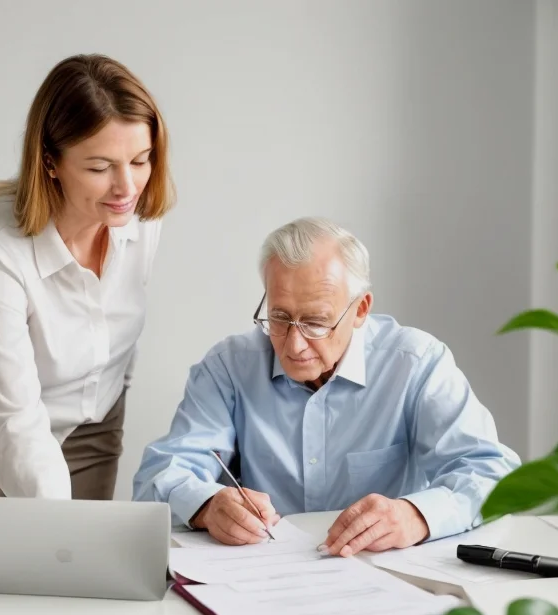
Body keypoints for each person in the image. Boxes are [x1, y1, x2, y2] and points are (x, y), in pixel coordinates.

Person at [133, 217, 520, 556]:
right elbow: (158, 475)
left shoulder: (416, 364)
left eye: (316, 322)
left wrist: (415, 515)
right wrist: (207, 504)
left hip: (385, 576)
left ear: (361, 310)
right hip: (263, 578)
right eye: (280, 318)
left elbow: (494, 474)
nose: (294, 344)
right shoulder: (229, 367)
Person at [0, 54, 175, 500]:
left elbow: (116, 331)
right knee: (11, 565)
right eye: (99, 168)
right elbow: (15, 421)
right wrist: (57, 526)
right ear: (50, 162)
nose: (127, 187)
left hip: (92, 425)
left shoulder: (136, 214)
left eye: (141, 160)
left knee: (84, 564)